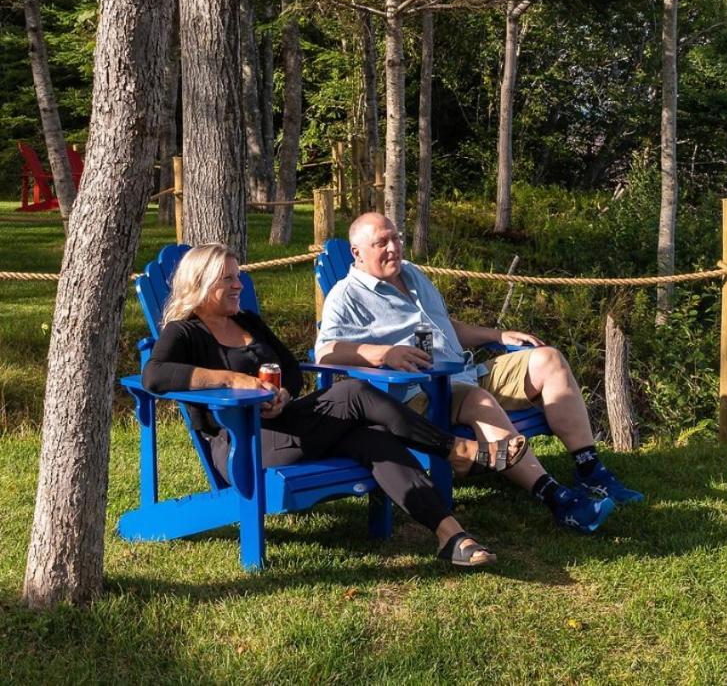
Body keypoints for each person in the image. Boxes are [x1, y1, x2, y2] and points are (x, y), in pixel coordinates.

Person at [143, 243, 529, 569]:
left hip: (287, 425)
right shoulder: (184, 332)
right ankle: (457, 450)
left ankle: (450, 536)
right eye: (228, 278)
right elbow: (155, 376)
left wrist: (283, 395)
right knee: (353, 392)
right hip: (242, 444)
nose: (238, 284)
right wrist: (232, 380)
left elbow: (291, 371)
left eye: (237, 275)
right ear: (202, 282)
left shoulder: (247, 320)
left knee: (373, 440)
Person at [315, 212, 644, 534]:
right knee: (477, 400)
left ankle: (590, 471)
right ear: (356, 252)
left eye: (396, 238)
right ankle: (557, 499)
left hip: (465, 372)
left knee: (548, 360)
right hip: (417, 396)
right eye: (381, 243)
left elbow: (445, 328)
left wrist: (496, 336)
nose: (393, 247)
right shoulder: (347, 296)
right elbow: (326, 351)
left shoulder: (412, 275)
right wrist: (384, 353)